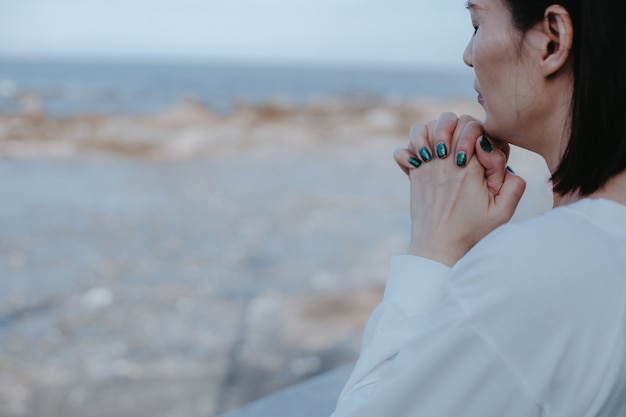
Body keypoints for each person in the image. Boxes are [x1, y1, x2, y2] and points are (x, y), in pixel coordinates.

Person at [331, 0, 626, 416]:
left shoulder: (532, 272)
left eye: (476, 23)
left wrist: (436, 247)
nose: (467, 54)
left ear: (552, 40)